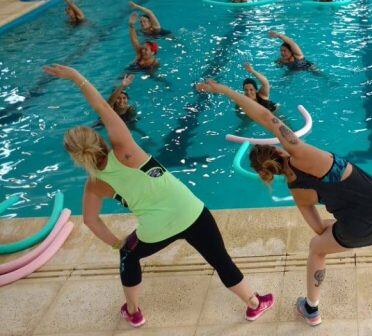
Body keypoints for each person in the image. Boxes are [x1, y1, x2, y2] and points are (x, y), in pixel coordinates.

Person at [194, 79, 372, 326]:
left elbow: (319, 230)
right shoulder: (301, 152)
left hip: (357, 230)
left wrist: (333, 226)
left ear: (270, 173)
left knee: (317, 248)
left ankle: (312, 308)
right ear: (279, 150)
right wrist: (224, 90)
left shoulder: (297, 192)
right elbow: (265, 117)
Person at [41, 64, 274, 328]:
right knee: (220, 260)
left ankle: (133, 311)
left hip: (155, 230)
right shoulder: (124, 149)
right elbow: (103, 109)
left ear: (76, 157)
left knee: (129, 256)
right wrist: (75, 76)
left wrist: (119, 244)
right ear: (97, 138)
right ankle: (255, 304)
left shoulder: (94, 185)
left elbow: (92, 221)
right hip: (191, 210)